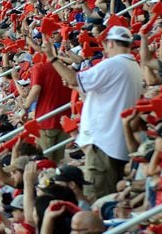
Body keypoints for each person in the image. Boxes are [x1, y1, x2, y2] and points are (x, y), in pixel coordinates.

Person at [43, 25, 143, 200]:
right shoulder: (133, 66)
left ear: (110, 43)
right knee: (110, 198)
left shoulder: (114, 63)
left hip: (104, 145)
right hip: (116, 144)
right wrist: (77, 85)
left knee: (96, 199)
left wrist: (52, 58)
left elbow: (73, 78)